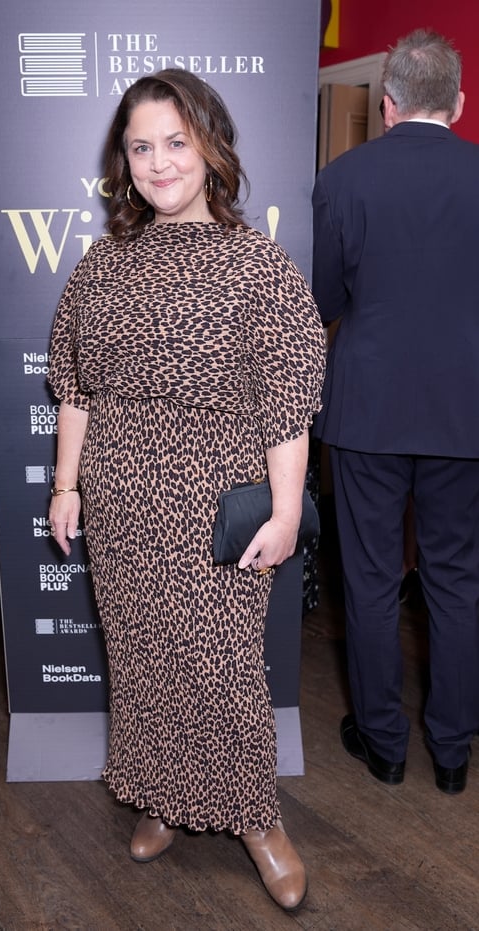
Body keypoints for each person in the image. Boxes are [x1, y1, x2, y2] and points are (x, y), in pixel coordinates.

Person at [48, 69, 325, 913]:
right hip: (120, 501)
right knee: (140, 663)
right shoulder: (104, 264)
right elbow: (76, 387)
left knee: (222, 667)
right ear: (122, 161)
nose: (159, 162)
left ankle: (256, 819)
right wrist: (66, 486)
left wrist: (284, 511)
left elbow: (287, 401)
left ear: (209, 145)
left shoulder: (256, 264)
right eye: (141, 147)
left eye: (176, 142)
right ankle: (164, 798)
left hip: (214, 507)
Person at [312, 28, 479, 795]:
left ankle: (382, 745)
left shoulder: (343, 180)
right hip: (465, 414)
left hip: (368, 412)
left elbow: (324, 301)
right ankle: (452, 752)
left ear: (386, 106)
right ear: (459, 101)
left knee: (372, 581)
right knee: (457, 580)